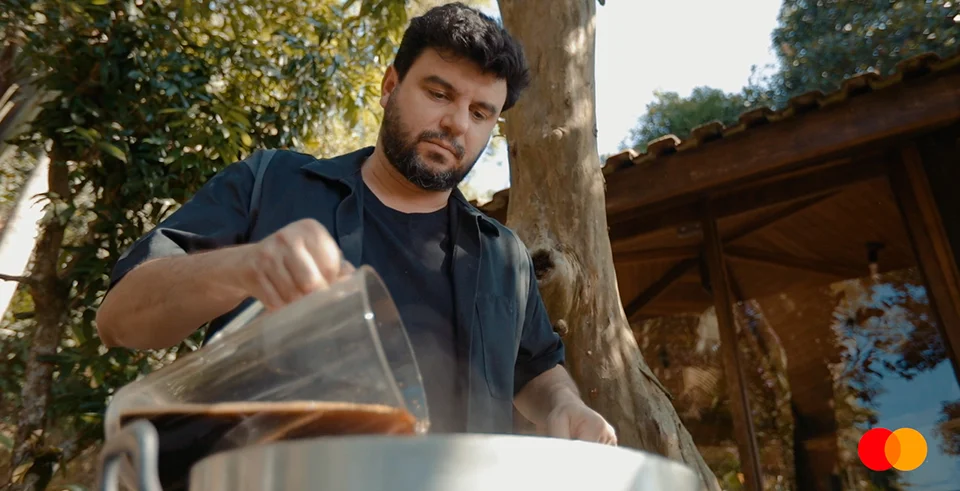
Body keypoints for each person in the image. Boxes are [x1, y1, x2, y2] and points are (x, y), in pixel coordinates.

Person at [96, 2, 616, 445]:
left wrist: (564, 407)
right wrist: (244, 268)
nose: (457, 123)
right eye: (439, 94)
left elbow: (537, 370)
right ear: (390, 86)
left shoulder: (506, 257)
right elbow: (118, 319)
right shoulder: (271, 183)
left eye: (481, 113)